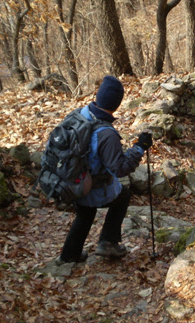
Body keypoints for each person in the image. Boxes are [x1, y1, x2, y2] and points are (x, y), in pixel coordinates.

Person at [57, 75, 152, 263]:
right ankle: (108, 243)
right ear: (116, 104)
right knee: (122, 196)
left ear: (98, 96)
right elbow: (120, 168)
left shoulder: (80, 114)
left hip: (71, 179)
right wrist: (140, 147)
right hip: (91, 186)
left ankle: (69, 255)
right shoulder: (106, 134)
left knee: (85, 212)